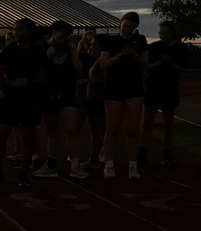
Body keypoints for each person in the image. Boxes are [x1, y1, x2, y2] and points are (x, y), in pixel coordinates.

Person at [0, 18, 44, 187]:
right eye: (15, 30)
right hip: (9, 99)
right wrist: (10, 84)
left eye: (20, 30)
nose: (16, 33)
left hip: (30, 99)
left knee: (27, 136)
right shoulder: (9, 50)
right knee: (1, 135)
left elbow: (44, 75)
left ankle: (24, 173)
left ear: (29, 32)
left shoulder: (37, 52)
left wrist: (28, 82)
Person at [98, 12, 149, 179]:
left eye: (130, 27)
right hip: (114, 88)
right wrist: (121, 55)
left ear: (135, 28)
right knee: (112, 128)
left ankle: (133, 165)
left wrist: (133, 54)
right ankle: (109, 164)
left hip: (133, 88)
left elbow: (145, 63)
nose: (126, 29)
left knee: (133, 129)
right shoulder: (110, 41)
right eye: (124, 25)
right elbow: (104, 63)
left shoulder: (140, 41)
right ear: (120, 24)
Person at [35, 20, 86, 179]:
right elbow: (40, 66)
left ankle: (75, 165)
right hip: (49, 93)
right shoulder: (43, 48)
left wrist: (73, 51)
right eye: (61, 34)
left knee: (72, 128)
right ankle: (51, 164)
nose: (63, 38)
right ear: (54, 32)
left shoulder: (69, 49)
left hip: (67, 92)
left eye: (66, 36)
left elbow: (79, 69)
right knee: (52, 130)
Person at [140, 20, 187, 167]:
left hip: (170, 88)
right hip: (153, 88)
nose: (162, 36)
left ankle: (167, 153)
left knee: (168, 123)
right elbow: (146, 67)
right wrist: (161, 63)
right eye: (161, 33)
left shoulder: (180, 48)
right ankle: (143, 152)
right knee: (147, 122)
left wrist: (170, 64)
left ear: (172, 32)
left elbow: (182, 69)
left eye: (165, 33)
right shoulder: (154, 48)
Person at [77, 29, 106, 168]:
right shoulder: (89, 57)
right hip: (91, 96)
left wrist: (86, 81)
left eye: (94, 44)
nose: (91, 47)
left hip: (99, 97)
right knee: (94, 129)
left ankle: (105, 154)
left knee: (101, 129)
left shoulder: (103, 60)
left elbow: (97, 77)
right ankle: (94, 156)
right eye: (90, 44)